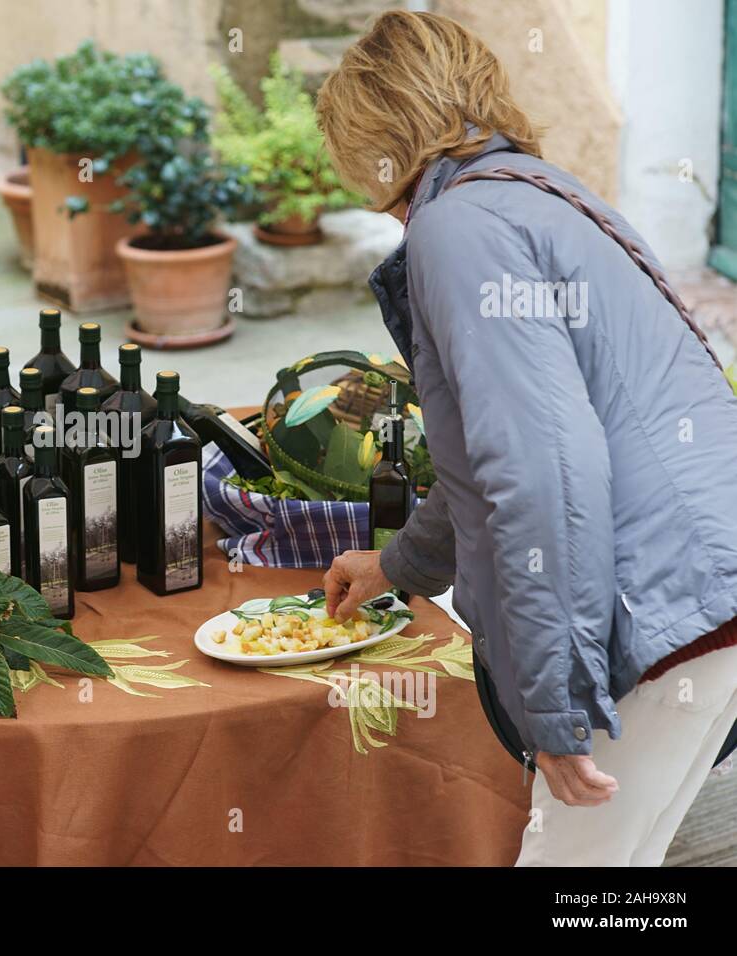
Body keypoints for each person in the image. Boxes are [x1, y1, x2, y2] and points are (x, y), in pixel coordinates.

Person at [315, 10, 737, 866]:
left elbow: (545, 472)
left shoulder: (458, 228)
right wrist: (396, 566)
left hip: (665, 608)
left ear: (372, 136)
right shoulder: (539, 192)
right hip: (703, 588)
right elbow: (492, 459)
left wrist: (556, 703)